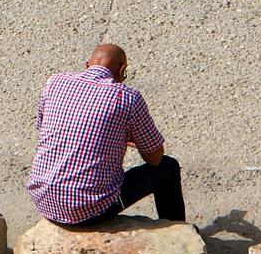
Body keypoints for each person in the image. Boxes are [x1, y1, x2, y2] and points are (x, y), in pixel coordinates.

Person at [27, 43, 185, 226]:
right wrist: (127, 136)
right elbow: (155, 158)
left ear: (87, 65)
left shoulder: (55, 82)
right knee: (168, 167)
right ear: (123, 70)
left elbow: (44, 127)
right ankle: (176, 230)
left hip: (44, 201)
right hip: (89, 211)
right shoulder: (127, 97)